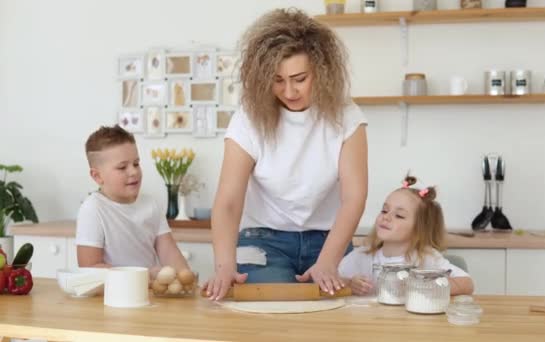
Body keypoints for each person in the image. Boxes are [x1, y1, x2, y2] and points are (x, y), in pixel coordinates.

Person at [204, 8, 368, 300]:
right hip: (263, 241)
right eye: (277, 80)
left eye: (299, 78)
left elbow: (354, 197)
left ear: (321, 70)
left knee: (336, 317)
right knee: (273, 312)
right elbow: (228, 202)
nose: (289, 91)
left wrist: (329, 261)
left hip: (328, 241)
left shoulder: (347, 116)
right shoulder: (248, 119)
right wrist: (225, 264)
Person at [76, 125, 188, 276]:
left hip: (148, 293)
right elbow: (89, 267)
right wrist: (143, 275)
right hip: (108, 296)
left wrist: (185, 276)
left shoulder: (150, 204)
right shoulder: (93, 209)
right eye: (122, 167)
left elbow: (169, 252)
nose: (134, 171)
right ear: (97, 176)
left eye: (136, 164)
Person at [339, 175, 474, 296]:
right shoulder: (362, 256)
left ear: (419, 229)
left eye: (399, 215)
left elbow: (467, 284)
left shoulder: (427, 258)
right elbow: (331, 281)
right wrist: (350, 284)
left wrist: (423, 286)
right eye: (384, 210)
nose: (386, 217)